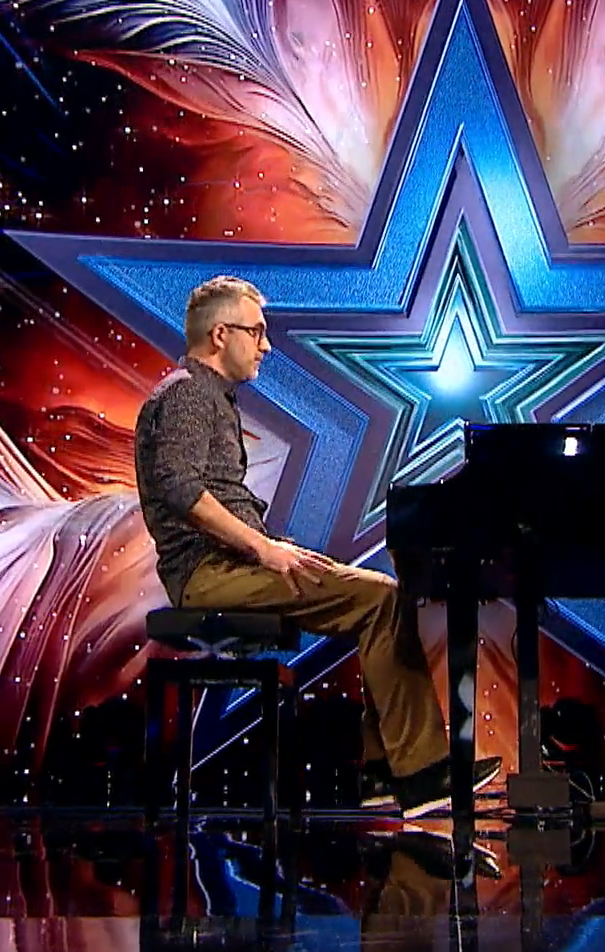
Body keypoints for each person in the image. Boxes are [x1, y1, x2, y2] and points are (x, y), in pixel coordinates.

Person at [133, 275, 499, 817]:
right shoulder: (188, 393)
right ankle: (419, 774)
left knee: (377, 597)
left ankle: (384, 771)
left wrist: (272, 546)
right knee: (379, 598)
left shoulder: (210, 397)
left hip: (228, 564)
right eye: (256, 332)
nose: (265, 346)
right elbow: (181, 490)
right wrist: (264, 550)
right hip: (208, 574)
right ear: (219, 335)